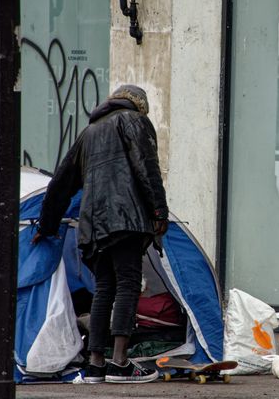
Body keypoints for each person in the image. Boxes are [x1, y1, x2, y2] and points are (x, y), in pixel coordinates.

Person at [31, 85, 169, 383]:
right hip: (127, 219)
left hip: (93, 225)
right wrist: (159, 211)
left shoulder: (88, 133)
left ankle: (95, 364)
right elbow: (148, 169)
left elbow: (61, 183)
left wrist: (46, 225)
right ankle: (119, 362)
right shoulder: (135, 121)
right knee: (128, 283)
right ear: (139, 105)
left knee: (105, 286)